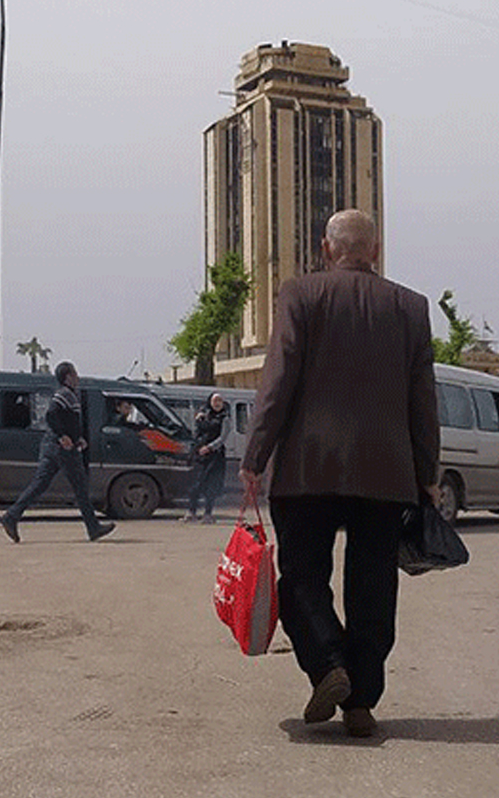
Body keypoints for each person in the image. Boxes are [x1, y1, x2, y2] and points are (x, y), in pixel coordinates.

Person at [239, 209, 439, 739]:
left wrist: (255, 454)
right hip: (385, 470)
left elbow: (278, 379)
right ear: (374, 251)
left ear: (325, 248)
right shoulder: (410, 307)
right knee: (373, 586)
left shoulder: (301, 296)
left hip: (308, 467)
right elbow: (424, 399)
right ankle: (360, 703)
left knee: (303, 578)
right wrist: (428, 471)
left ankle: (329, 667)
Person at [0, 361, 115, 543]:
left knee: (39, 485)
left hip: (52, 447)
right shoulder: (65, 394)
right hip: (63, 450)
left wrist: (76, 438)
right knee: (81, 488)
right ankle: (93, 528)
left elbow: (64, 420)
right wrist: (63, 436)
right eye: (75, 373)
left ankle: (12, 516)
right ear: (68, 377)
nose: (78, 377)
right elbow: (51, 415)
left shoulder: (66, 395)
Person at [183, 393, 230, 523]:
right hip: (200, 455)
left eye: (220, 400)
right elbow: (196, 433)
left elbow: (223, 437)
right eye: (215, 400)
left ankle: (207, 514)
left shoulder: (224, 418)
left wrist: (209, 447)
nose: (217, 403)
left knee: (211, 485)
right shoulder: (203, 416)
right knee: (196, 483)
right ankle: (191, 512)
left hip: (215, 456)